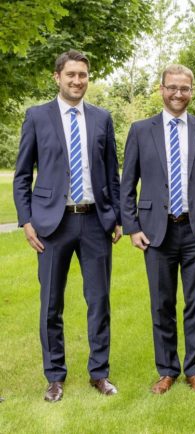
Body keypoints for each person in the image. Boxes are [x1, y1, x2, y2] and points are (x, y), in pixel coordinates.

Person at [13, 50, 122, 402]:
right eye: (71, 74)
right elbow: (22, 175)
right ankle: (55, 376)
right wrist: (26, 220)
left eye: (83, 75)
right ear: (57, 77)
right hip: (51, 224)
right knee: (51, 304)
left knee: (99, 301)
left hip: (95, 222)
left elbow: (112, 174)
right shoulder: (37, 117)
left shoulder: (102, 118)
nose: (78, 81)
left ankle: (99, 373)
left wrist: (117, 217)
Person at [121, 64, 195, 394]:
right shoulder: (140, 130)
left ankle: (194, 369)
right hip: (155, 231)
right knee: (161, 304)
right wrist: (132, 226)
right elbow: (127, 184)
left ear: (192, 91)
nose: (178, 93)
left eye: (185, 88)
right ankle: (166, 370)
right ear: (162, 89)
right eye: (172, 87)